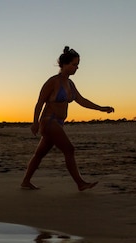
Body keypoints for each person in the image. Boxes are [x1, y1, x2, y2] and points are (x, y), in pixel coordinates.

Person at [21, 46, 114, 191]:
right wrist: (35, 123)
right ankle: (80, 183)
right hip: (48, 121)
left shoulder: (70, 84)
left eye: (77, 65)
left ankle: (25, 181)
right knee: (69, 149)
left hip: (58, 123)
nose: (76, 68)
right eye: (74, 64)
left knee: (39, 154)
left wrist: (102, 108)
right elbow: (39, 103)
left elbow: (82, 100)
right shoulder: (53, 81)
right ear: (64, 65)